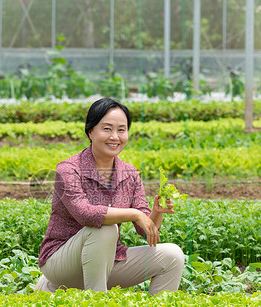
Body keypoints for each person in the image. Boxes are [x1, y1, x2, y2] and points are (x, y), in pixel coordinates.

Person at [35, 97, 184, 295]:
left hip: (106, 261)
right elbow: (85, 214)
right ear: (90, 132)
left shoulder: (129, 173)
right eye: (107, 129)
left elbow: (146, 229)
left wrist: (156, 213)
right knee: (104, 229)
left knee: (173, 255)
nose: (115, 136)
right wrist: (133, 213)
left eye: (121, 130)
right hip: (62, 264)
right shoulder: (69, 170)